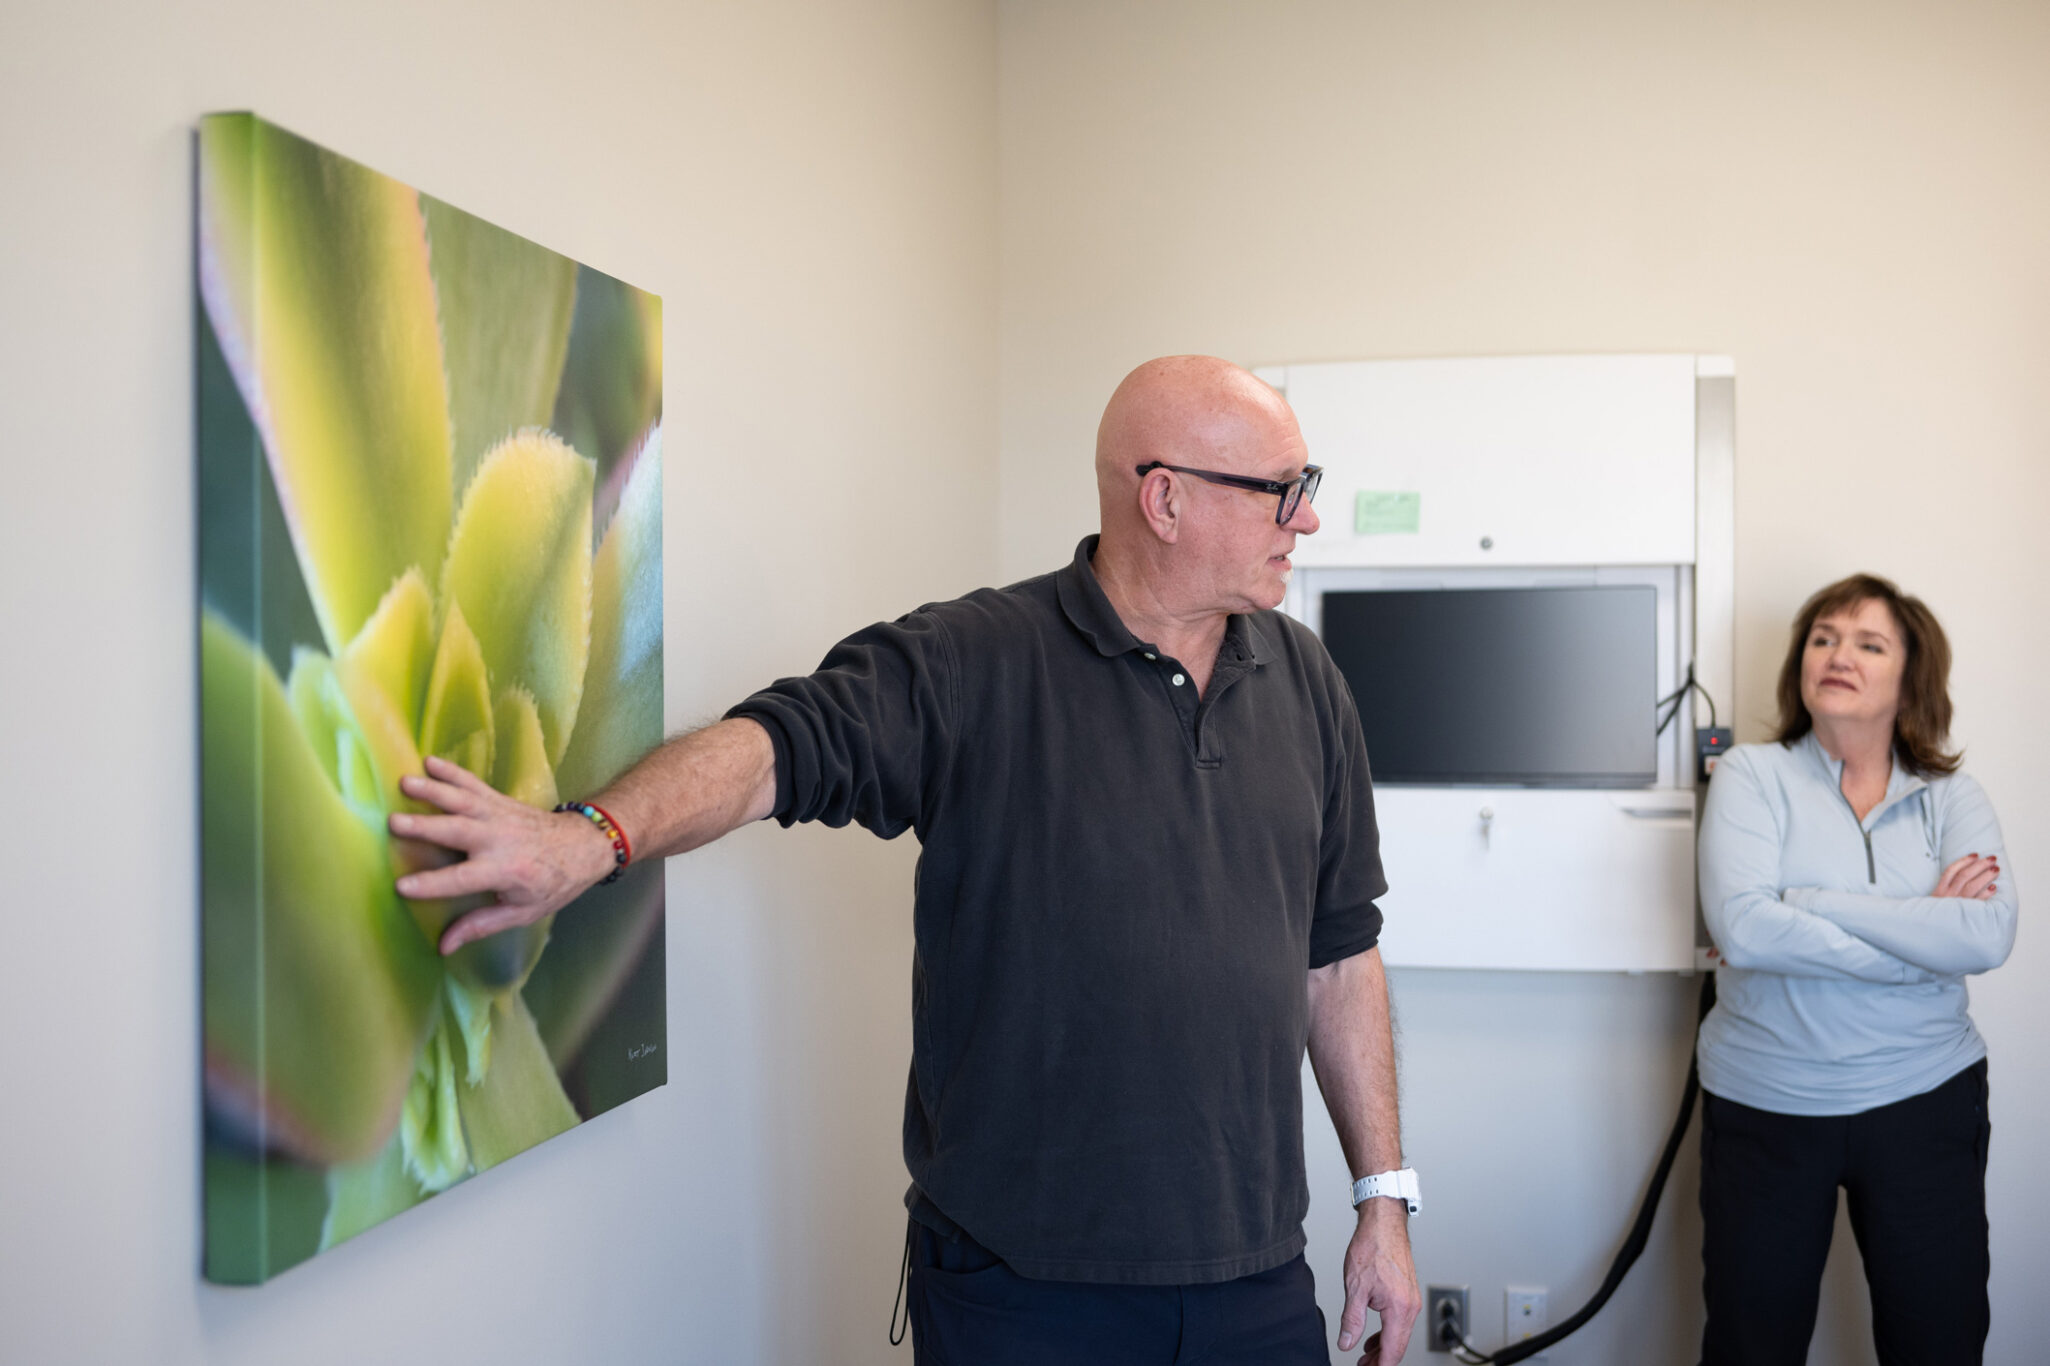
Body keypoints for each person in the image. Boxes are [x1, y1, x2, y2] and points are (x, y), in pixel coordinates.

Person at [386, 356, 1423, 1365]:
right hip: (1024, 1298)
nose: (1308, 518)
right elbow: (772, 751)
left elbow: (1338, 956)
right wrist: (589, 836)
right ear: (1164, 500)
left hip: (1255, 1287)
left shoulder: (1307, 681)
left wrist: (1383, 1200)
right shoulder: (972, 661)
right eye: (1283, 490)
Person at [1695, 573, 2017, 1365]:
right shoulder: (1750, 775)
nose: (1839, 654)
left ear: (1911, 679)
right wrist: (1918, 948)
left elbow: (1986, 935)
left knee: (1937, 1342)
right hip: (1764, 1105)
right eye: (1824, 637)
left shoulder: (1953, 797)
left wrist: (1809, 899)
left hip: (1924, 1100)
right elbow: (1744, 925)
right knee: (1750, 1347)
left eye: (1869, 643)